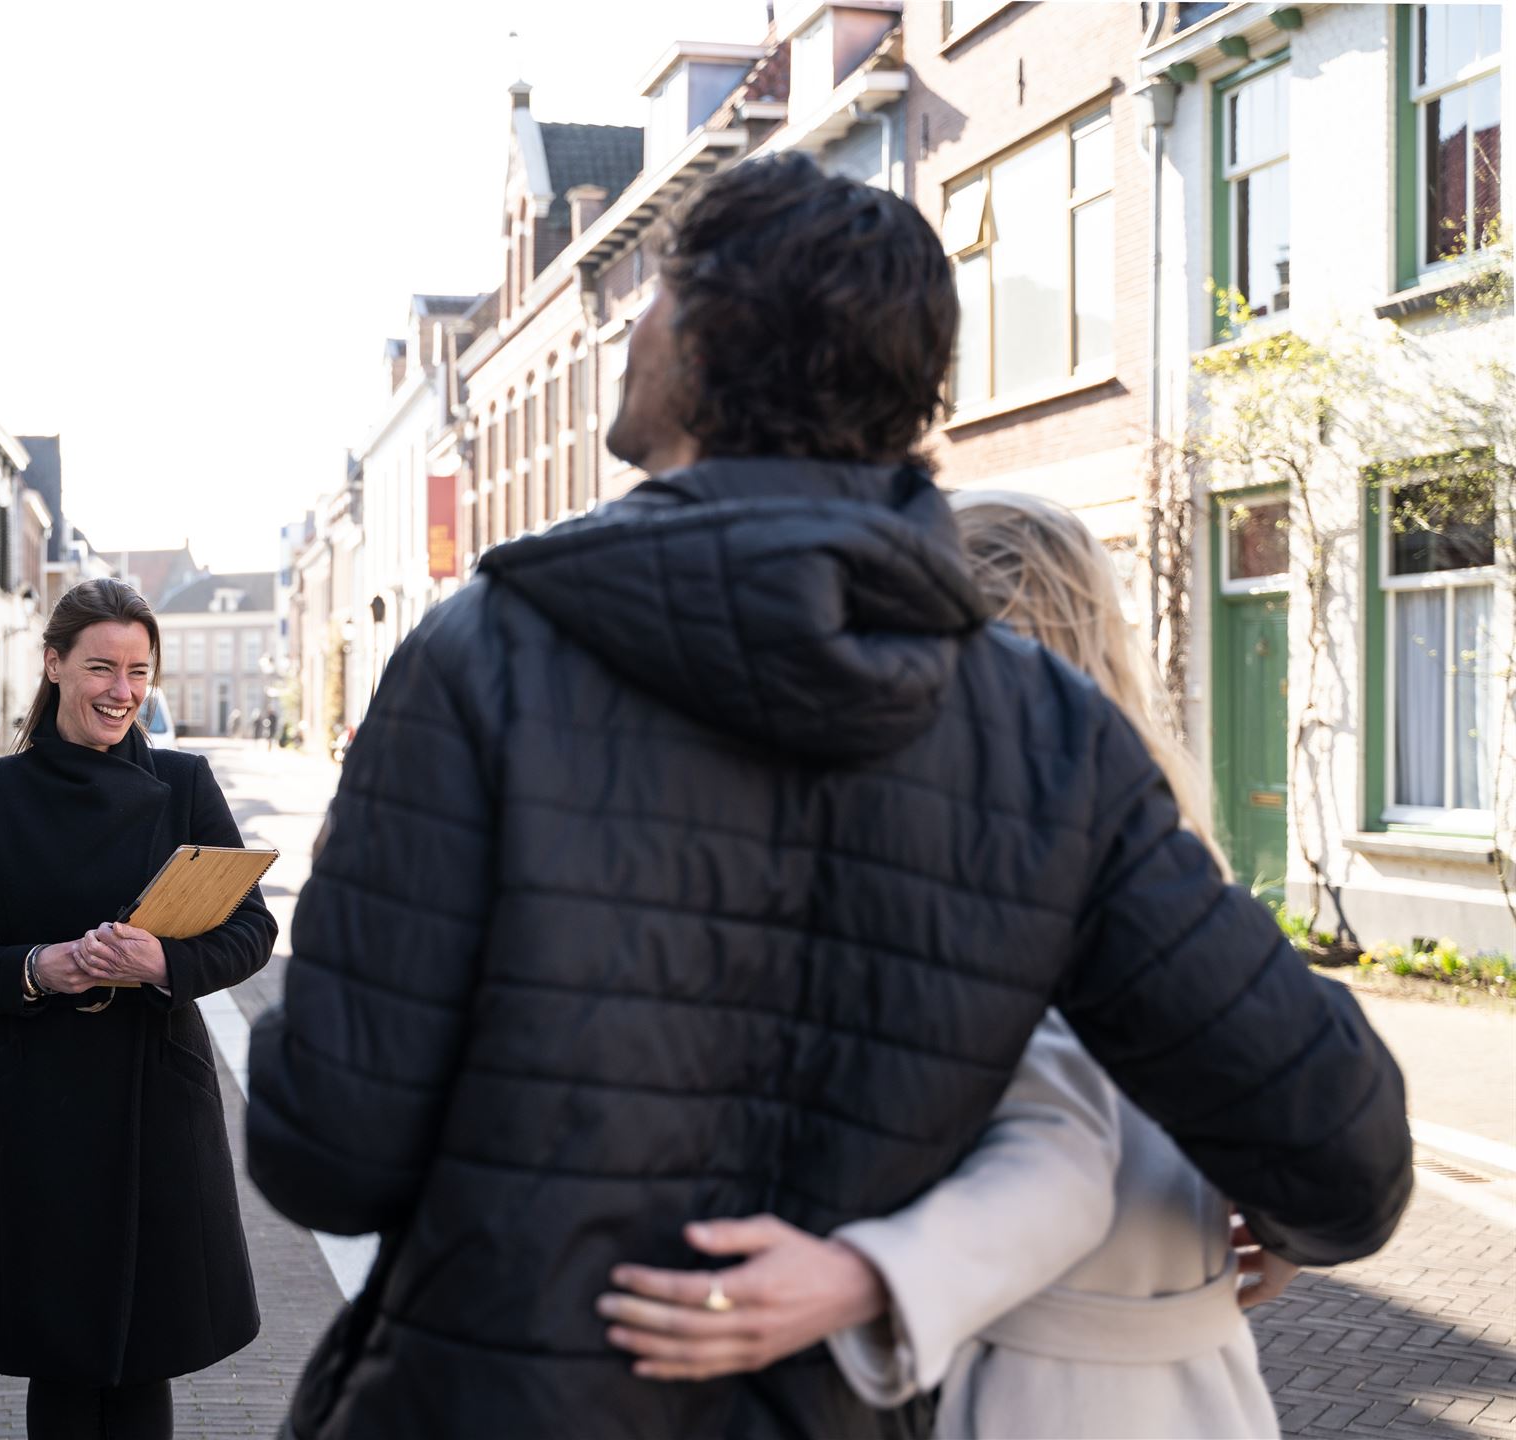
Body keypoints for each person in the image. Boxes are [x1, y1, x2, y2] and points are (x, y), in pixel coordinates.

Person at [244, 151, 1411, 1440]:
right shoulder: (1048, 734)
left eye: (660, 291)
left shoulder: (480, 661)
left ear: (706, 338)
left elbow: (324, 1150)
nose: (633, 326)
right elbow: (1341, 1154)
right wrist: (1279, 1220)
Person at [601, 493, 1293, 1437]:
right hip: (1196, 1388)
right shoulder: (1180, 858)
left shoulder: (977, 859)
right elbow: (1298, 1122)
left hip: (1003, 1386)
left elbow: (1056, 1153)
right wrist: (1279, 1240)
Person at [0, 578, 277, 1440]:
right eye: (101, 667)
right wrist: (44, 968)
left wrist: (166, 960)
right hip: (40, 1099)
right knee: (63, 1350)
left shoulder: (187, 784)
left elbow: (254, 928)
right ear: (53, 664)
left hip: (156, 1090)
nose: (122, 690)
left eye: (138, 671)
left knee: (145, 1346)